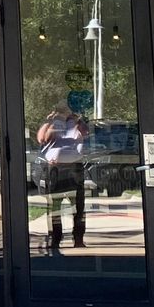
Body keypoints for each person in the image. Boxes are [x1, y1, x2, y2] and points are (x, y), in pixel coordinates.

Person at [36, 105, 91, 251]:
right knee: (55, 207)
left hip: (74, 167)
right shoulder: (51, 124)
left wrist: (77, 119)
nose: (64, 114)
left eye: (66, 110)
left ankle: (78, 239)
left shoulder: (76, 124)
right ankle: (55, 239)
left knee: (78, 206)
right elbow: (42, 138)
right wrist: (50, 122)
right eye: (62, 111)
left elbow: (86, 132)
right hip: (56, 168)